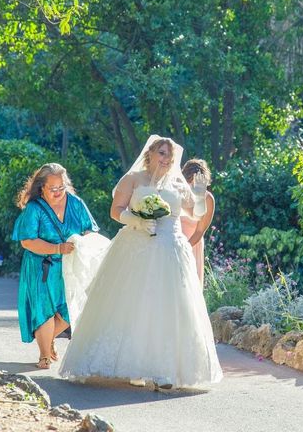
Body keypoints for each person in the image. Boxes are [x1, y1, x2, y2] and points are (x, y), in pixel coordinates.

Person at [59, 135, 223, 389]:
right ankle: (133, 365)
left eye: (169, 154)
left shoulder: (179, 182)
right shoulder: (133, 179)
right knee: (133, 303)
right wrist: (136, 220)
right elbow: (116, 210)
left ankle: (164, 372)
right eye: (162, 153)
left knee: (169, 307)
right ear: (149, 154)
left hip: (171, 248)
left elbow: (195, 212)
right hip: (136, 246)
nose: (166, 159)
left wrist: (199, 195)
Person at [12, 163, 100, 370]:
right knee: (44, 311)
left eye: (62, 187)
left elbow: (90, 230)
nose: (58, 192)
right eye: (53, 188)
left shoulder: (76, 203)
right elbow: (27, 241)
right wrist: (57, 248)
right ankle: (44, 355)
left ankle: (48, 338)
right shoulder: (34, 209)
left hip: (71, 266)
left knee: (71, 310)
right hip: (41, 266)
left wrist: (86, 244)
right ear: (41, 187)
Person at [180, 159, 215, 285]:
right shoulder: (179, 193)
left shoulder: (207, 198)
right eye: (189, 180)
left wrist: (184, 248)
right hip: (171, 242)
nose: (191, 185)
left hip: (192, 245)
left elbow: (200, 230)